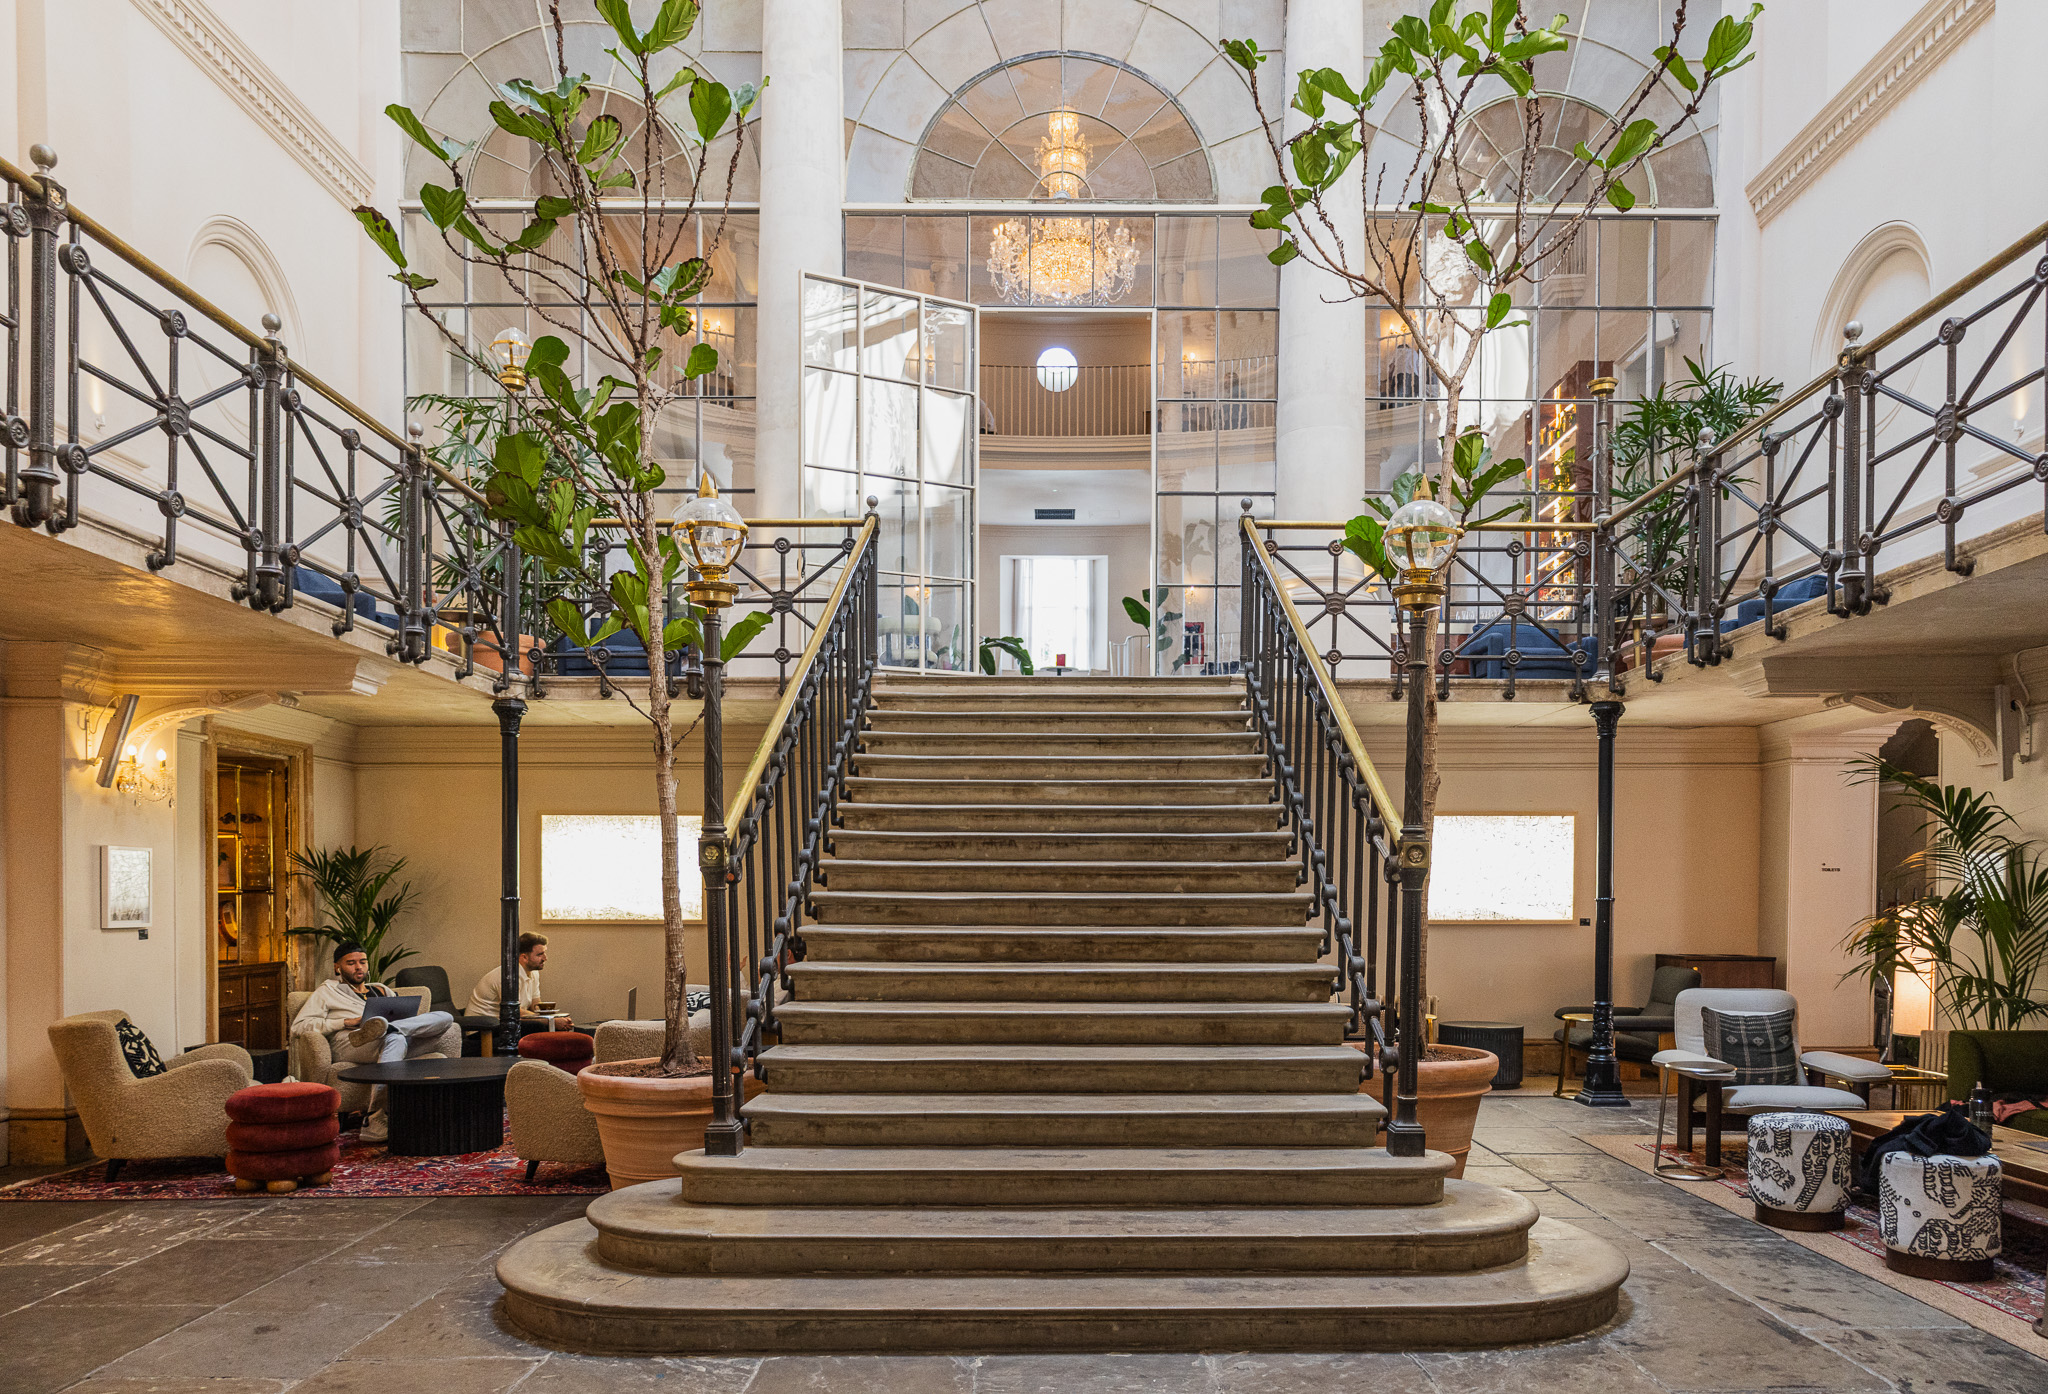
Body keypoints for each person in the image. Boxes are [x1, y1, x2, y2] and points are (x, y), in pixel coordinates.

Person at [291, 941, 457, 1143]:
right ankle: (375, 1115)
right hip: (351, 1041)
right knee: (393, 1038)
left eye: (362, 962)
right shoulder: (327, 992)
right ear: (337, 967)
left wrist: (393, 1026)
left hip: (389, 1040)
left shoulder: (381, 990)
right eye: (351, 963)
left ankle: (390, 1028)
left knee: (445, 1018)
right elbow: (299, 1026)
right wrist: (346, 1021)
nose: (358, 967)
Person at [466, 932, 572, 1031]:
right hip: (483, 1030)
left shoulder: (534, 973)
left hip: (507, 1024)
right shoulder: (507, 976)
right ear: (524, 957)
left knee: (556, 1028)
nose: (545, 958)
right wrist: (551, 1021)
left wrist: (559, 1019)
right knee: (539, 1026)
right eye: (540, 954)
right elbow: (514, 1012)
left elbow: (536, 1006)